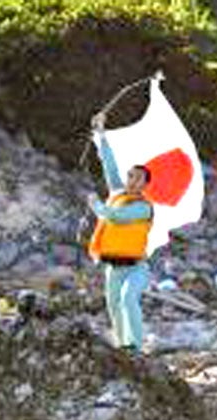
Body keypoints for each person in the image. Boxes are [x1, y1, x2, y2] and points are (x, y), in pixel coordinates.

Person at [87, 131, 154, 353]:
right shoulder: (117, 194)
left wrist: (96, 205)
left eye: (138, 178)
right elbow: (109, 165)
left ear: (145, 184)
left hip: (137, 268)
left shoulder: (143, 207)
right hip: (113, 267)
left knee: (127, 300)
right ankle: (123, 346)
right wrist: (100, 135)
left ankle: (135, 347)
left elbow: (116, 216)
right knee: (114, 308)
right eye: (130, 176)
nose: (132, 181)